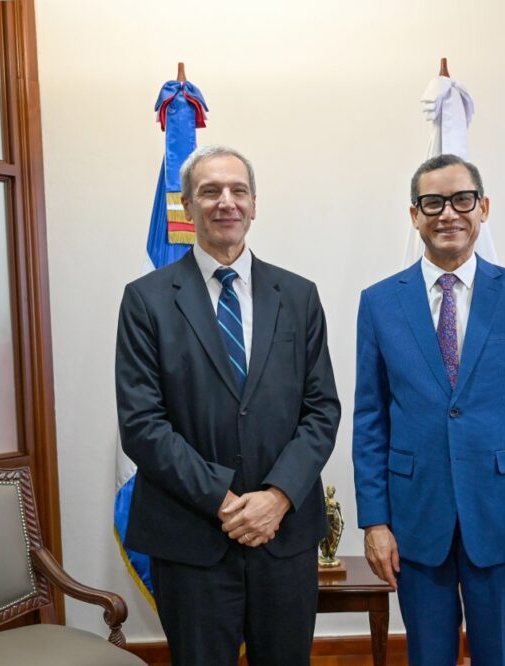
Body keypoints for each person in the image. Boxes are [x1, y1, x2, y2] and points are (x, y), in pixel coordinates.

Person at [116, 145, 340, 665]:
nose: (226, 202)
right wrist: (224, 502)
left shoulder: (299, 296)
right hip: (191, 538)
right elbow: (142, 425)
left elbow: (321, 410)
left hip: (284, 536)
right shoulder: (146, 299)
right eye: (210, 191)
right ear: (186, 206)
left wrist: (276, 498)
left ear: (254, 204)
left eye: (238, 190)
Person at [352, 154, 505, 665]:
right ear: (415, 215)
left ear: (483, 208)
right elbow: (370, 419)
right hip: (415, 519)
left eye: (462, 200)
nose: (448, 213)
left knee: (501, 656)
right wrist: (374, 522)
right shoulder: (379, 302)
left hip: (502, 519)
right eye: (433, 203)